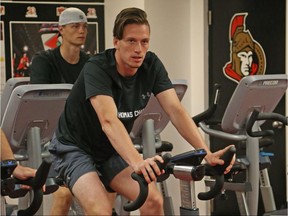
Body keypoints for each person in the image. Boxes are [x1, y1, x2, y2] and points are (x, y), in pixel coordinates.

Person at [48, 7, 235, 215]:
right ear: (116, 42)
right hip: (74, 148)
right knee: (100, 209)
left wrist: (207, 154)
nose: (138, 49)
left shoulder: (151, 64)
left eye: (144, 41)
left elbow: (175, 110)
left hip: (108, 150)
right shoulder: (97, 68)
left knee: (152, 200)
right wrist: (137, 161)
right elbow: (108, 121)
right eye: (131, 41)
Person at [29, 7, 92, 216]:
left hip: (81, 141)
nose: (81, 30)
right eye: (75, 26)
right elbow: (39, 106)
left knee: (105, 190)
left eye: (84, 26)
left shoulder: (90, 64)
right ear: (61, 30)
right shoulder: (44, 61)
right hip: (49, 141)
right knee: (63, 195)